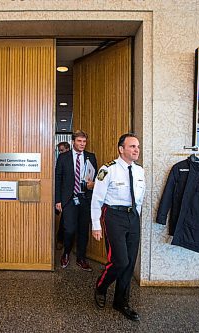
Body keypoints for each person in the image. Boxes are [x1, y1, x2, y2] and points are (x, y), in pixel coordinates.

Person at [90, 133, 145, 321]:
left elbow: (140, 198)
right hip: (113, 216)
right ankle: (101, 286)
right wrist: (96, 225)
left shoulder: (139, 171)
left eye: (137, 146)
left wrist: (137, 216)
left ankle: (121, 301)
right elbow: (97, 198)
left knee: (130, 262)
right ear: (121, 149)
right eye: (132, 146)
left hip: (133, 216)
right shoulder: (107, 170)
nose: (136, 149)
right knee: (120, 260)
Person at [55, 130, 97, 271]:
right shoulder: (63, 157)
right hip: (69, 199)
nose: (82, 144)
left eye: (84, 142)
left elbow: (95, 178)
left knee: (83, 230)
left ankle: (81, 258)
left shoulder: (91, 157)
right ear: (73, 142)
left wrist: (93, 184)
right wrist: (58, 200)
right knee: (69, 229)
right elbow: (58, 179)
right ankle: (66, 253)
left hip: (85, 199)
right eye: (79, 141)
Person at [55, 141, 71, 250]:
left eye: (62, 150)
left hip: (74, 195)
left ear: (68, 148)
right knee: (64, 219)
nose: (60, 153)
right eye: (59, 150)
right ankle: (60, 240)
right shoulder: (61, 159)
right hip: (64, 195)